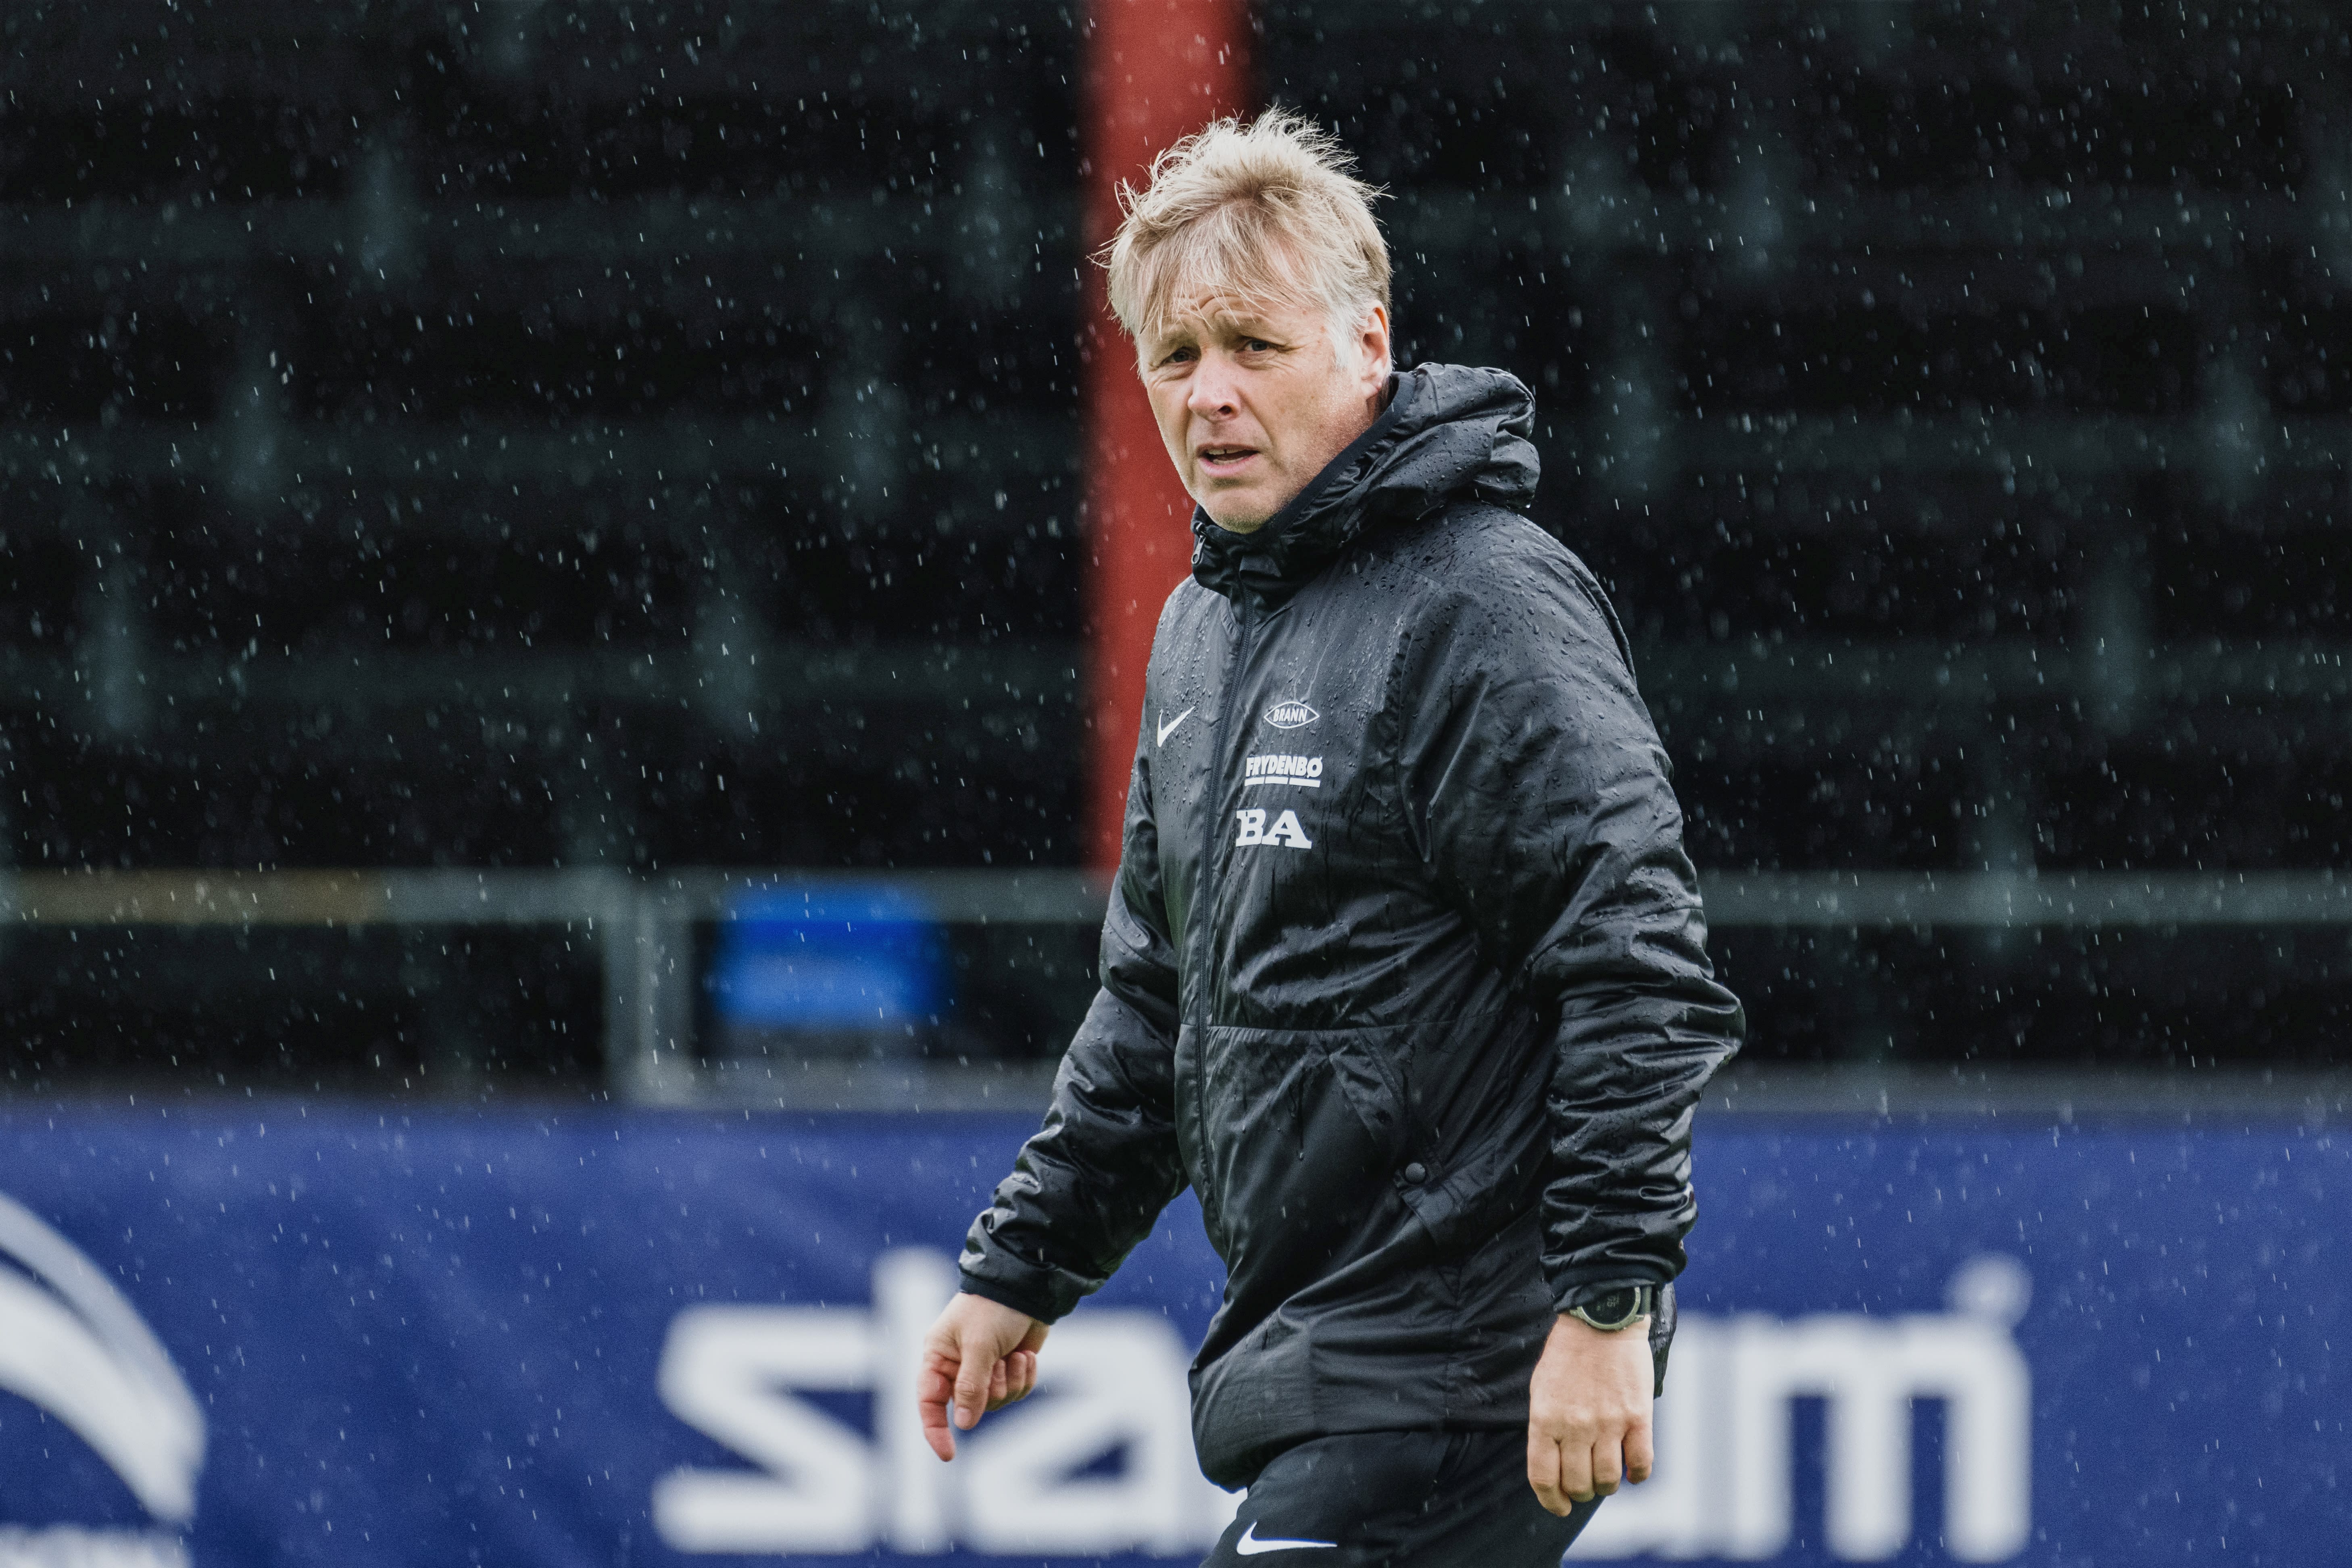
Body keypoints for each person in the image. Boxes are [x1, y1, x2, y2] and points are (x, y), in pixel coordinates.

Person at [917, 107, 1744, 1566]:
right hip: (1334, 1359)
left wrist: (1607, 1303)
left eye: (1254, 345)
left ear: (1368, 346)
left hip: (1459, 1365)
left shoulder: (1484, 602)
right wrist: (1023, 1266)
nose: (1210, 395)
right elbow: (1157, 1005)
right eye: (1176, 355)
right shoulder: (1201, 628)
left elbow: (1636, 964)